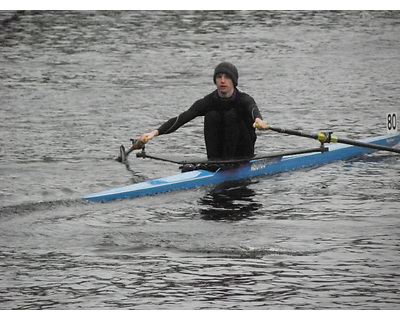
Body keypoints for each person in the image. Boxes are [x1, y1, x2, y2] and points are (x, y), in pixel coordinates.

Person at [141, 62, 268, 160]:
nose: (222, 81)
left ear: (234, 81)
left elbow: (253, 110)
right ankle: (214, 161)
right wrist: (154, 133)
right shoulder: (208, 101)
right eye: (219, 77)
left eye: (227, 77)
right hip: (218, 155)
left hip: (243, 152)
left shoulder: (244, 99)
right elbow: (182, 118)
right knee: (211, 115)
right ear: (215, 81)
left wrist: (258, 120)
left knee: (231, 115)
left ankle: (229, 162)